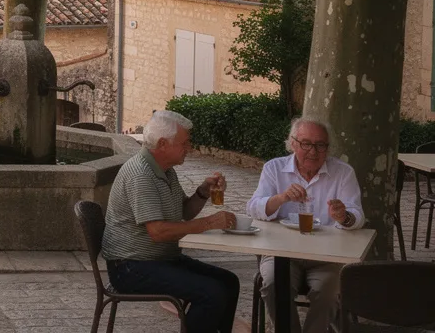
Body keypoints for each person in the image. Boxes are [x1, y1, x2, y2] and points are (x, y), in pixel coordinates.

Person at [101, 110, 239, 333]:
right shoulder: (141, 174)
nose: (190, 148)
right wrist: (210, 223)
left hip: (158, 259)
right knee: (211, 292)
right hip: (130, 266)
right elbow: (158, 232)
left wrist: (203, 191)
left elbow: (184, 212)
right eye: (184, 143)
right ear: (163, 144)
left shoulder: (166, 171)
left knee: (229, 282)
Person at [246, 118, 364, 333]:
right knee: (273, 284)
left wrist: (343, 216)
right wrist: (281, 198)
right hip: (281, 253)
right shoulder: (274, 168)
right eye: (306, 144)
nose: (313, 151)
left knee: (328, 291)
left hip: (326, 256)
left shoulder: (343, 172)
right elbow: (253, 208)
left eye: (321, 145)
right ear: (292, 143)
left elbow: (357, 216)